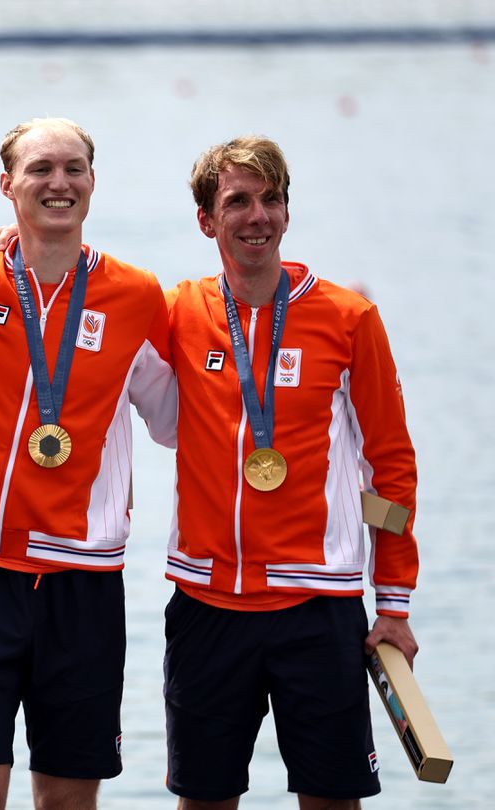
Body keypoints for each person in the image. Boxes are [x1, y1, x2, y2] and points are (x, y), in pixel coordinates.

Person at [0, 118, 177, 809]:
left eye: (74, 168)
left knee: (68, 802)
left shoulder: (138, 295)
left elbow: (175, 422)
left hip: (82, 579)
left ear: (91, 181)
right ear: (7, 186)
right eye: (39, 170)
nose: (58, 183)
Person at [162, 136, 419, 809]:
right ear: (206, 220)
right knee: (203, 801)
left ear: (286, 211)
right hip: (207, 607)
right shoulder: (179, 312)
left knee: (332, 802)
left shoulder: (349, 318)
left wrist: (392, 603)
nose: (258, 217)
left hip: (320, 608)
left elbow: (387, 468)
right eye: (238, 202)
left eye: (271, 199)